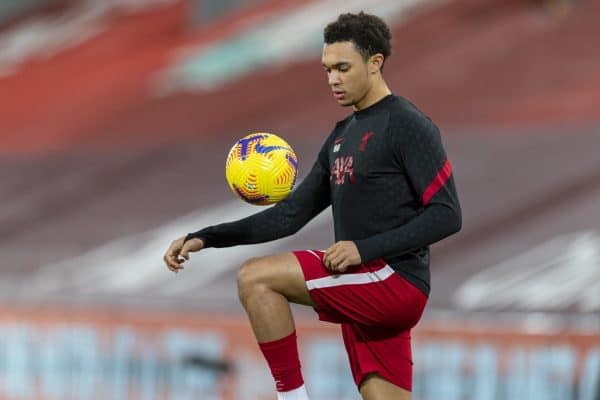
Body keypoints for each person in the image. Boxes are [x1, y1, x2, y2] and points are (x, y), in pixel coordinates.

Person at [164, 11, 461, 400]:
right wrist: (206, 238)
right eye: (326, 70)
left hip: (390, 280)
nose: (333, 80)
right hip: (365, 286)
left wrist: (362, 249)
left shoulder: (406, 124)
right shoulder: (342, 135)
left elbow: (447, 213)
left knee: (256, 278)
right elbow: (290, 215)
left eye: (342, 68)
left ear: (375, 63)